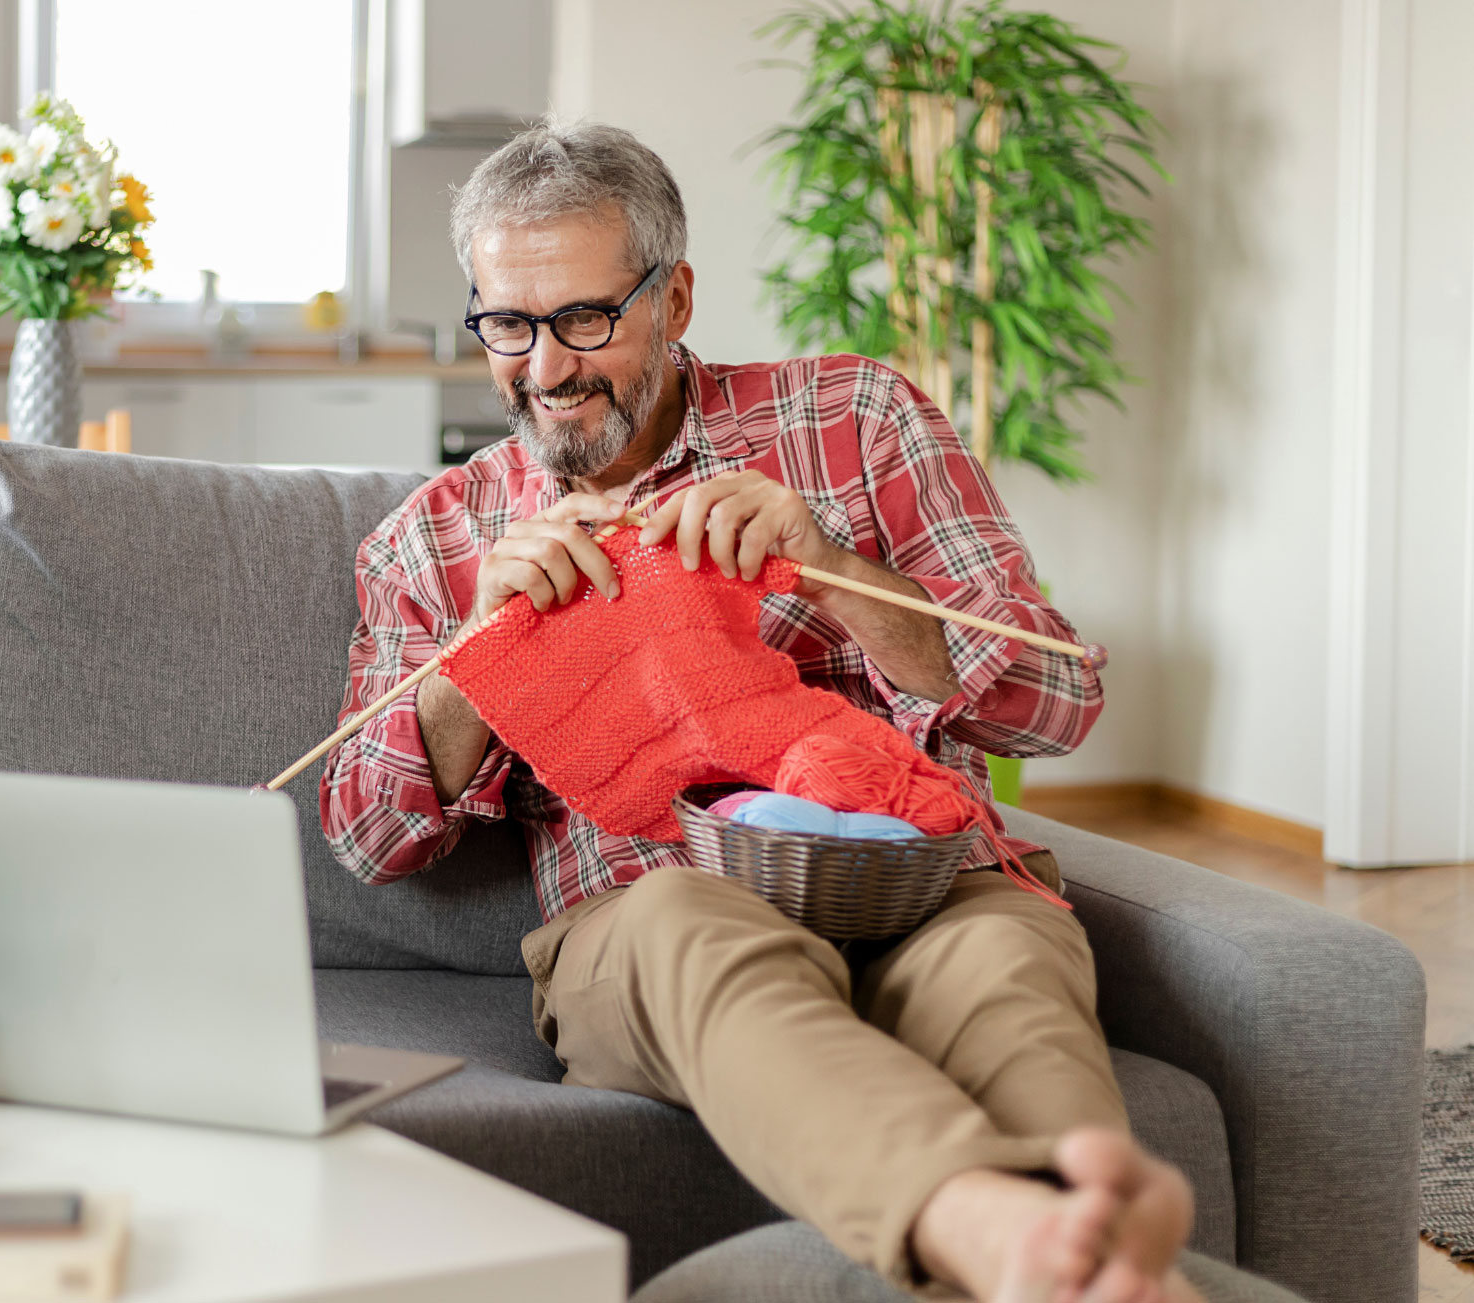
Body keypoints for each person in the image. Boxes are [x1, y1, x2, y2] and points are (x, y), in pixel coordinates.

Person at [319, 122, 1206, 1303]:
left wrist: (832, 564)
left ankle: (1088, 1251)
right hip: (645, 919)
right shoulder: (431, 539)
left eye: (586, 318)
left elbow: (1055, 698)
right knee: (687, 920)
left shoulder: (853, 418)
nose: (544, 368)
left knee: (1000, 960)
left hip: (922, 879)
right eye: (506, 325)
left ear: (673, 295)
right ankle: (1007, 1232)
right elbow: (369, 833)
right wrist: (465, 663)